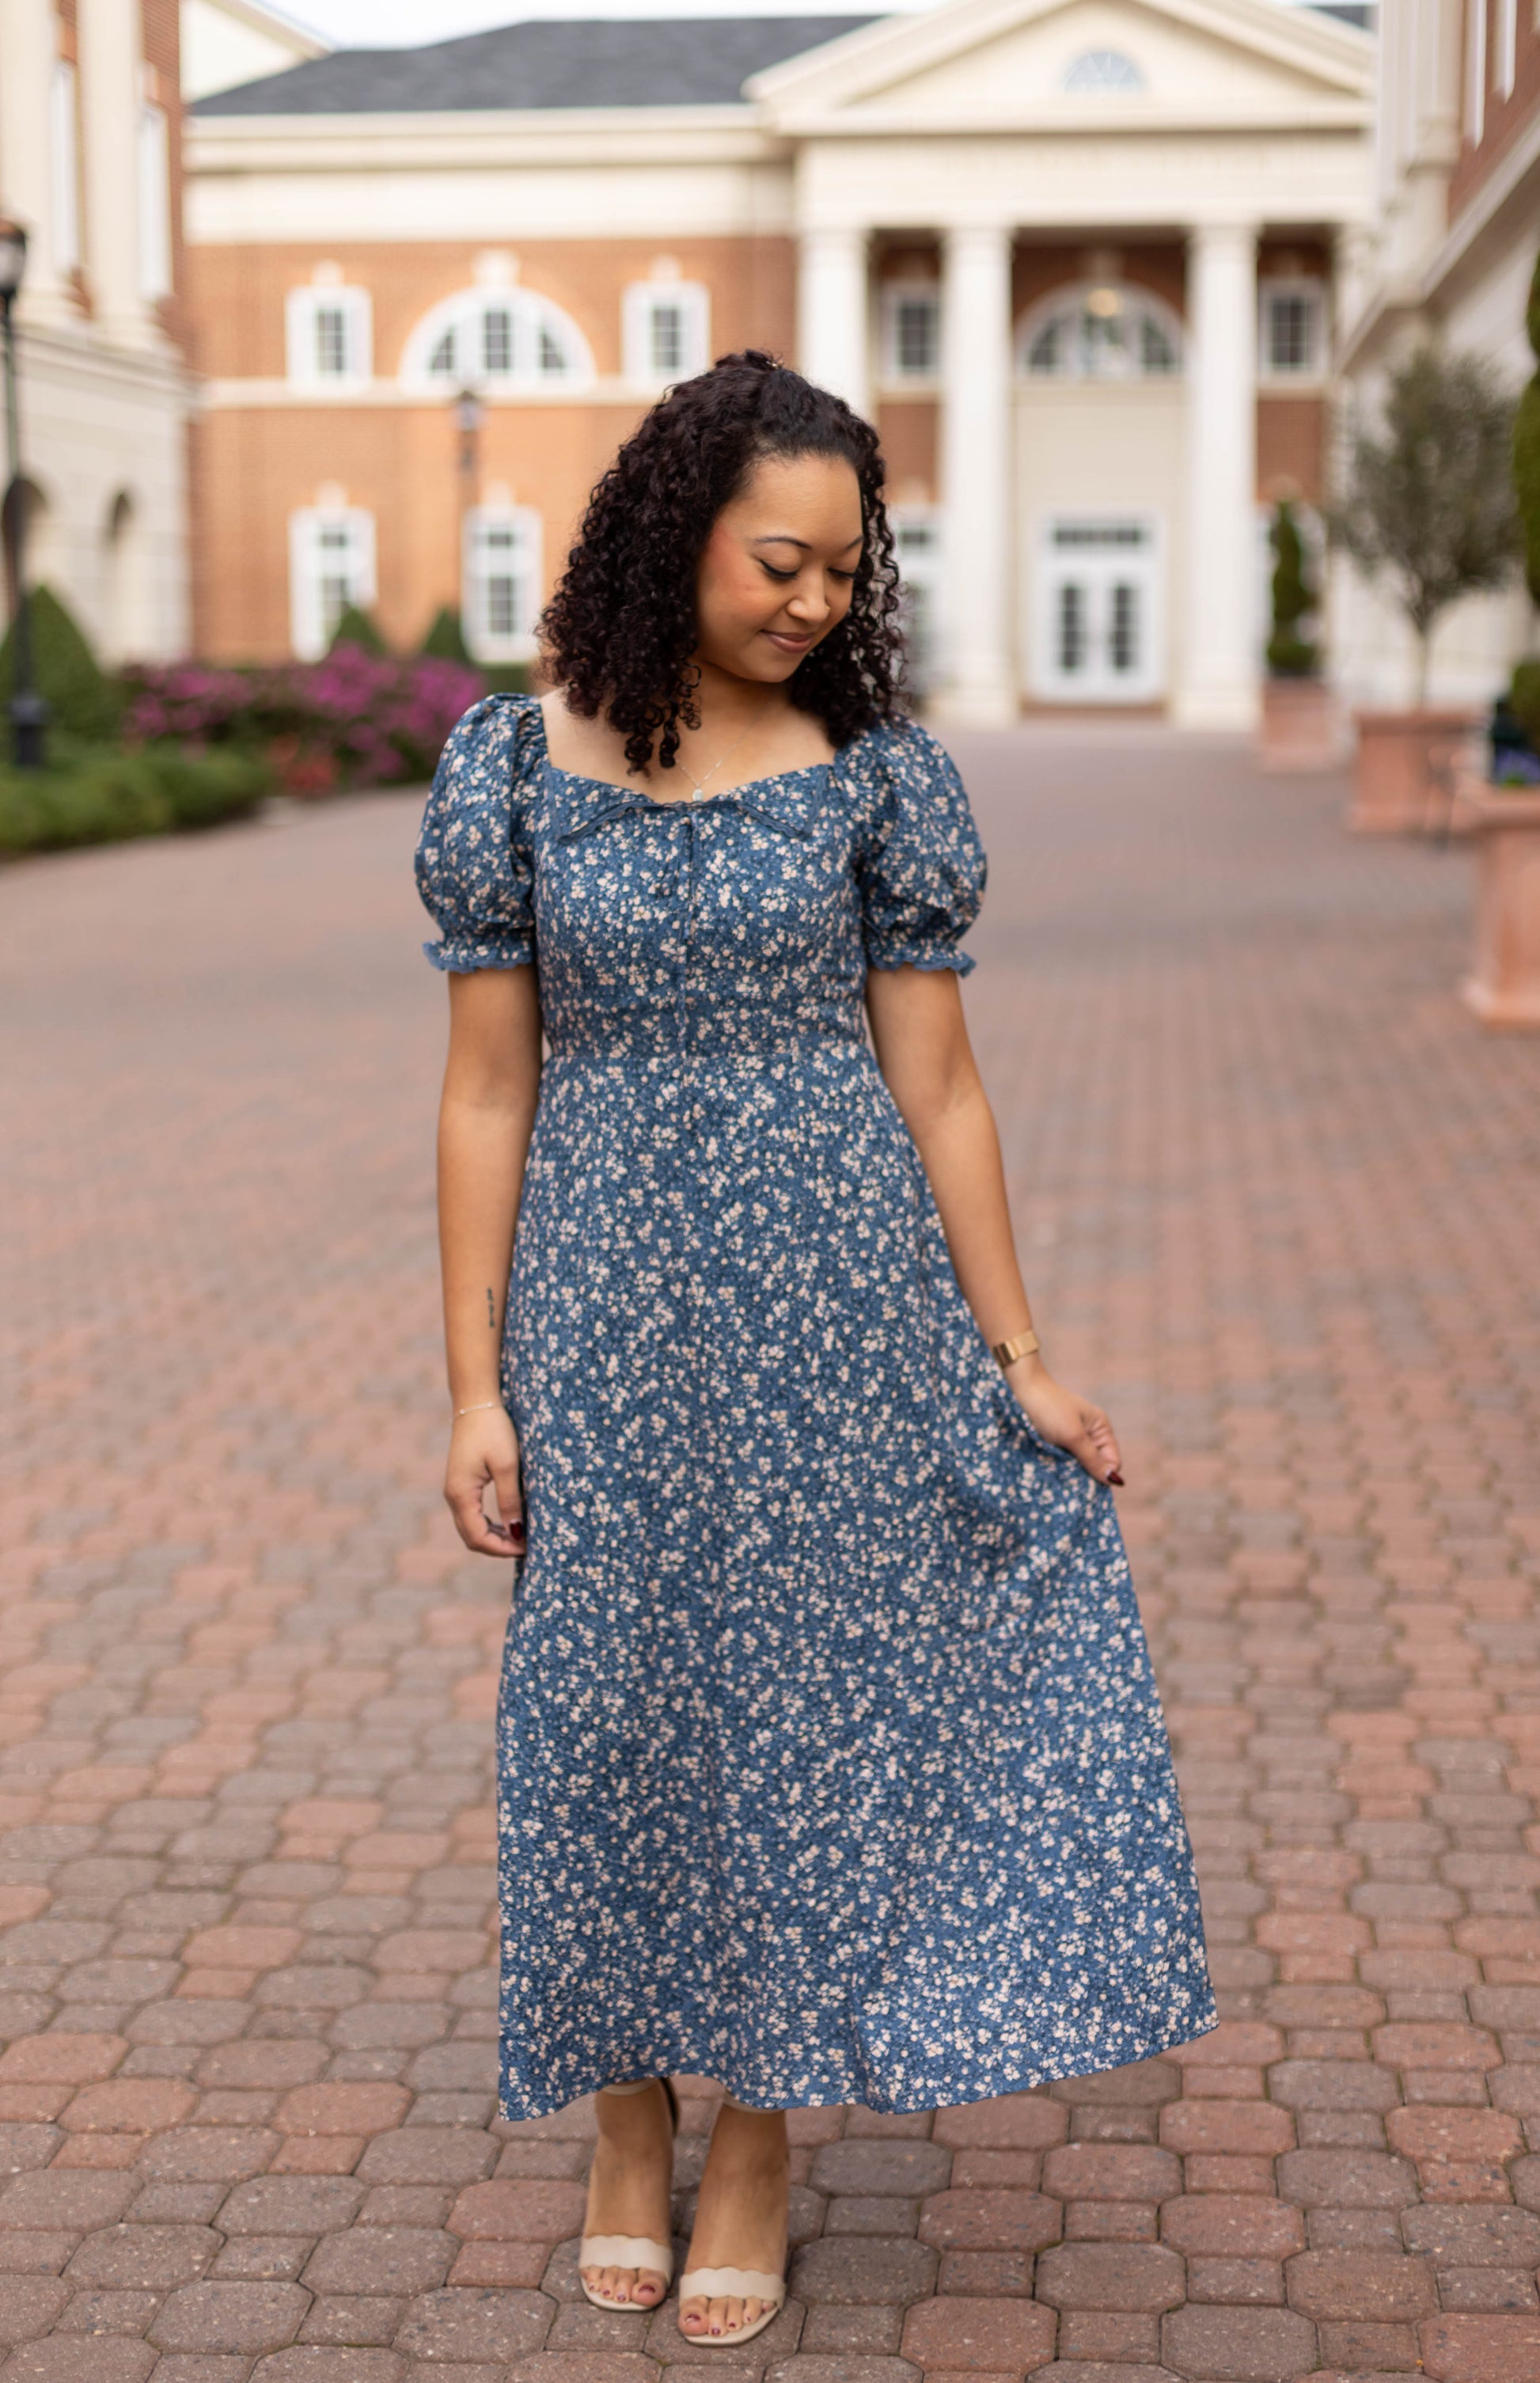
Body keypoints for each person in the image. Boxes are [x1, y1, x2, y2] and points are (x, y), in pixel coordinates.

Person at [413, 351, 1216, 2351]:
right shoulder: (510, 769)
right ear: (672, 531)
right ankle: (625, 2122)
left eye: (847, 574)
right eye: (783, 560)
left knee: (802, 1730)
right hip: (605, 1320)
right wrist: (471, 1381)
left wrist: (1017, 1352)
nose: (815, 603)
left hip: (843, 1320)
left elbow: (940, 1088)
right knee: (602, 1719)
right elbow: (484, 1093)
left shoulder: (875, 778)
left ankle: (756, 2138)